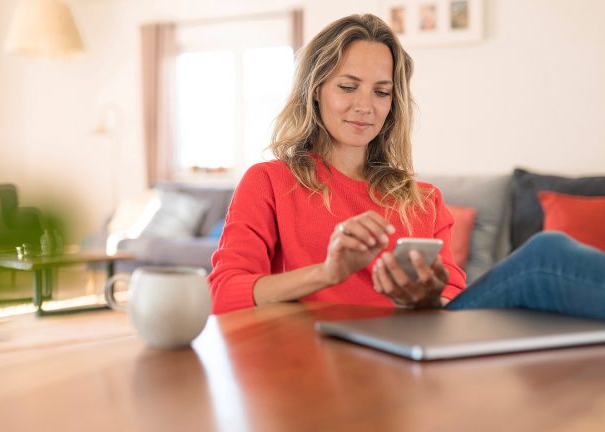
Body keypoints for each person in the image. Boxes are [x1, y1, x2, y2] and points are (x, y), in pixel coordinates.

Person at [208, 14, 605, 320]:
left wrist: (429, 295)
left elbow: (452, 297)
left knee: (550, 267)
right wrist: (328, 273)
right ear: (315, 91)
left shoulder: (424, 199)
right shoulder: (270, 182)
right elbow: (223, 292)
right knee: (546, 255)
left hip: (420, 342)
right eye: (348, 87)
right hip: (329, 349)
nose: (366, 106)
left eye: (382, 92)